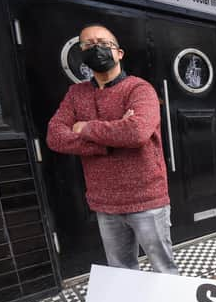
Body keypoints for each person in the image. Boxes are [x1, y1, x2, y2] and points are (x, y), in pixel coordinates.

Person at [47, 24, 178, 274]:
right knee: (121, 271)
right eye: (88, 44)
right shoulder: (76, 94)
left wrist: (83, 127)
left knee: (164, 268)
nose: (96, 48)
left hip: (146, 198)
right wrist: (110, 138)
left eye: (104, 44)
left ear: (119, 53)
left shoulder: (139, 89)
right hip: (104, 201)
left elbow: (137, 132)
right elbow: (55, 137)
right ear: (81, 52)